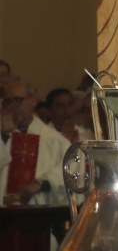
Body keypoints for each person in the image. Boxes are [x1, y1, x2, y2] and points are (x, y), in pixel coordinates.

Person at [0, 77, 69, 206]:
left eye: (17, 100)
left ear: (33, 100)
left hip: (40, 216)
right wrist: (3, 136)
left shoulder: (56, 141)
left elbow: (71, 173)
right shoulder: (2, 136)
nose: (12, 107)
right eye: (7, 102)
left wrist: (41, 183)